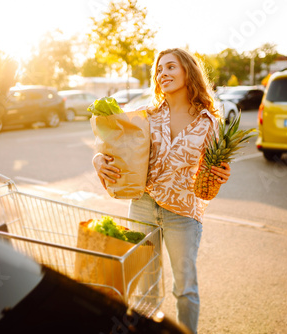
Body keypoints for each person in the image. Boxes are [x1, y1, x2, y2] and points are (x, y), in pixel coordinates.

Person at [92, 48, 231, 333]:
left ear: (187, 72)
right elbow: (113, 147)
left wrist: (221, 175)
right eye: (159, 69)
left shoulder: (209, 123)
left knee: (185, 288)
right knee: (146, 290)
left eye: (170, 67)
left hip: (184, 214)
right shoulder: (148, 116)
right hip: (143, 205)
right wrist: (97, 159)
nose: (162, 74)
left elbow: (210, 182)